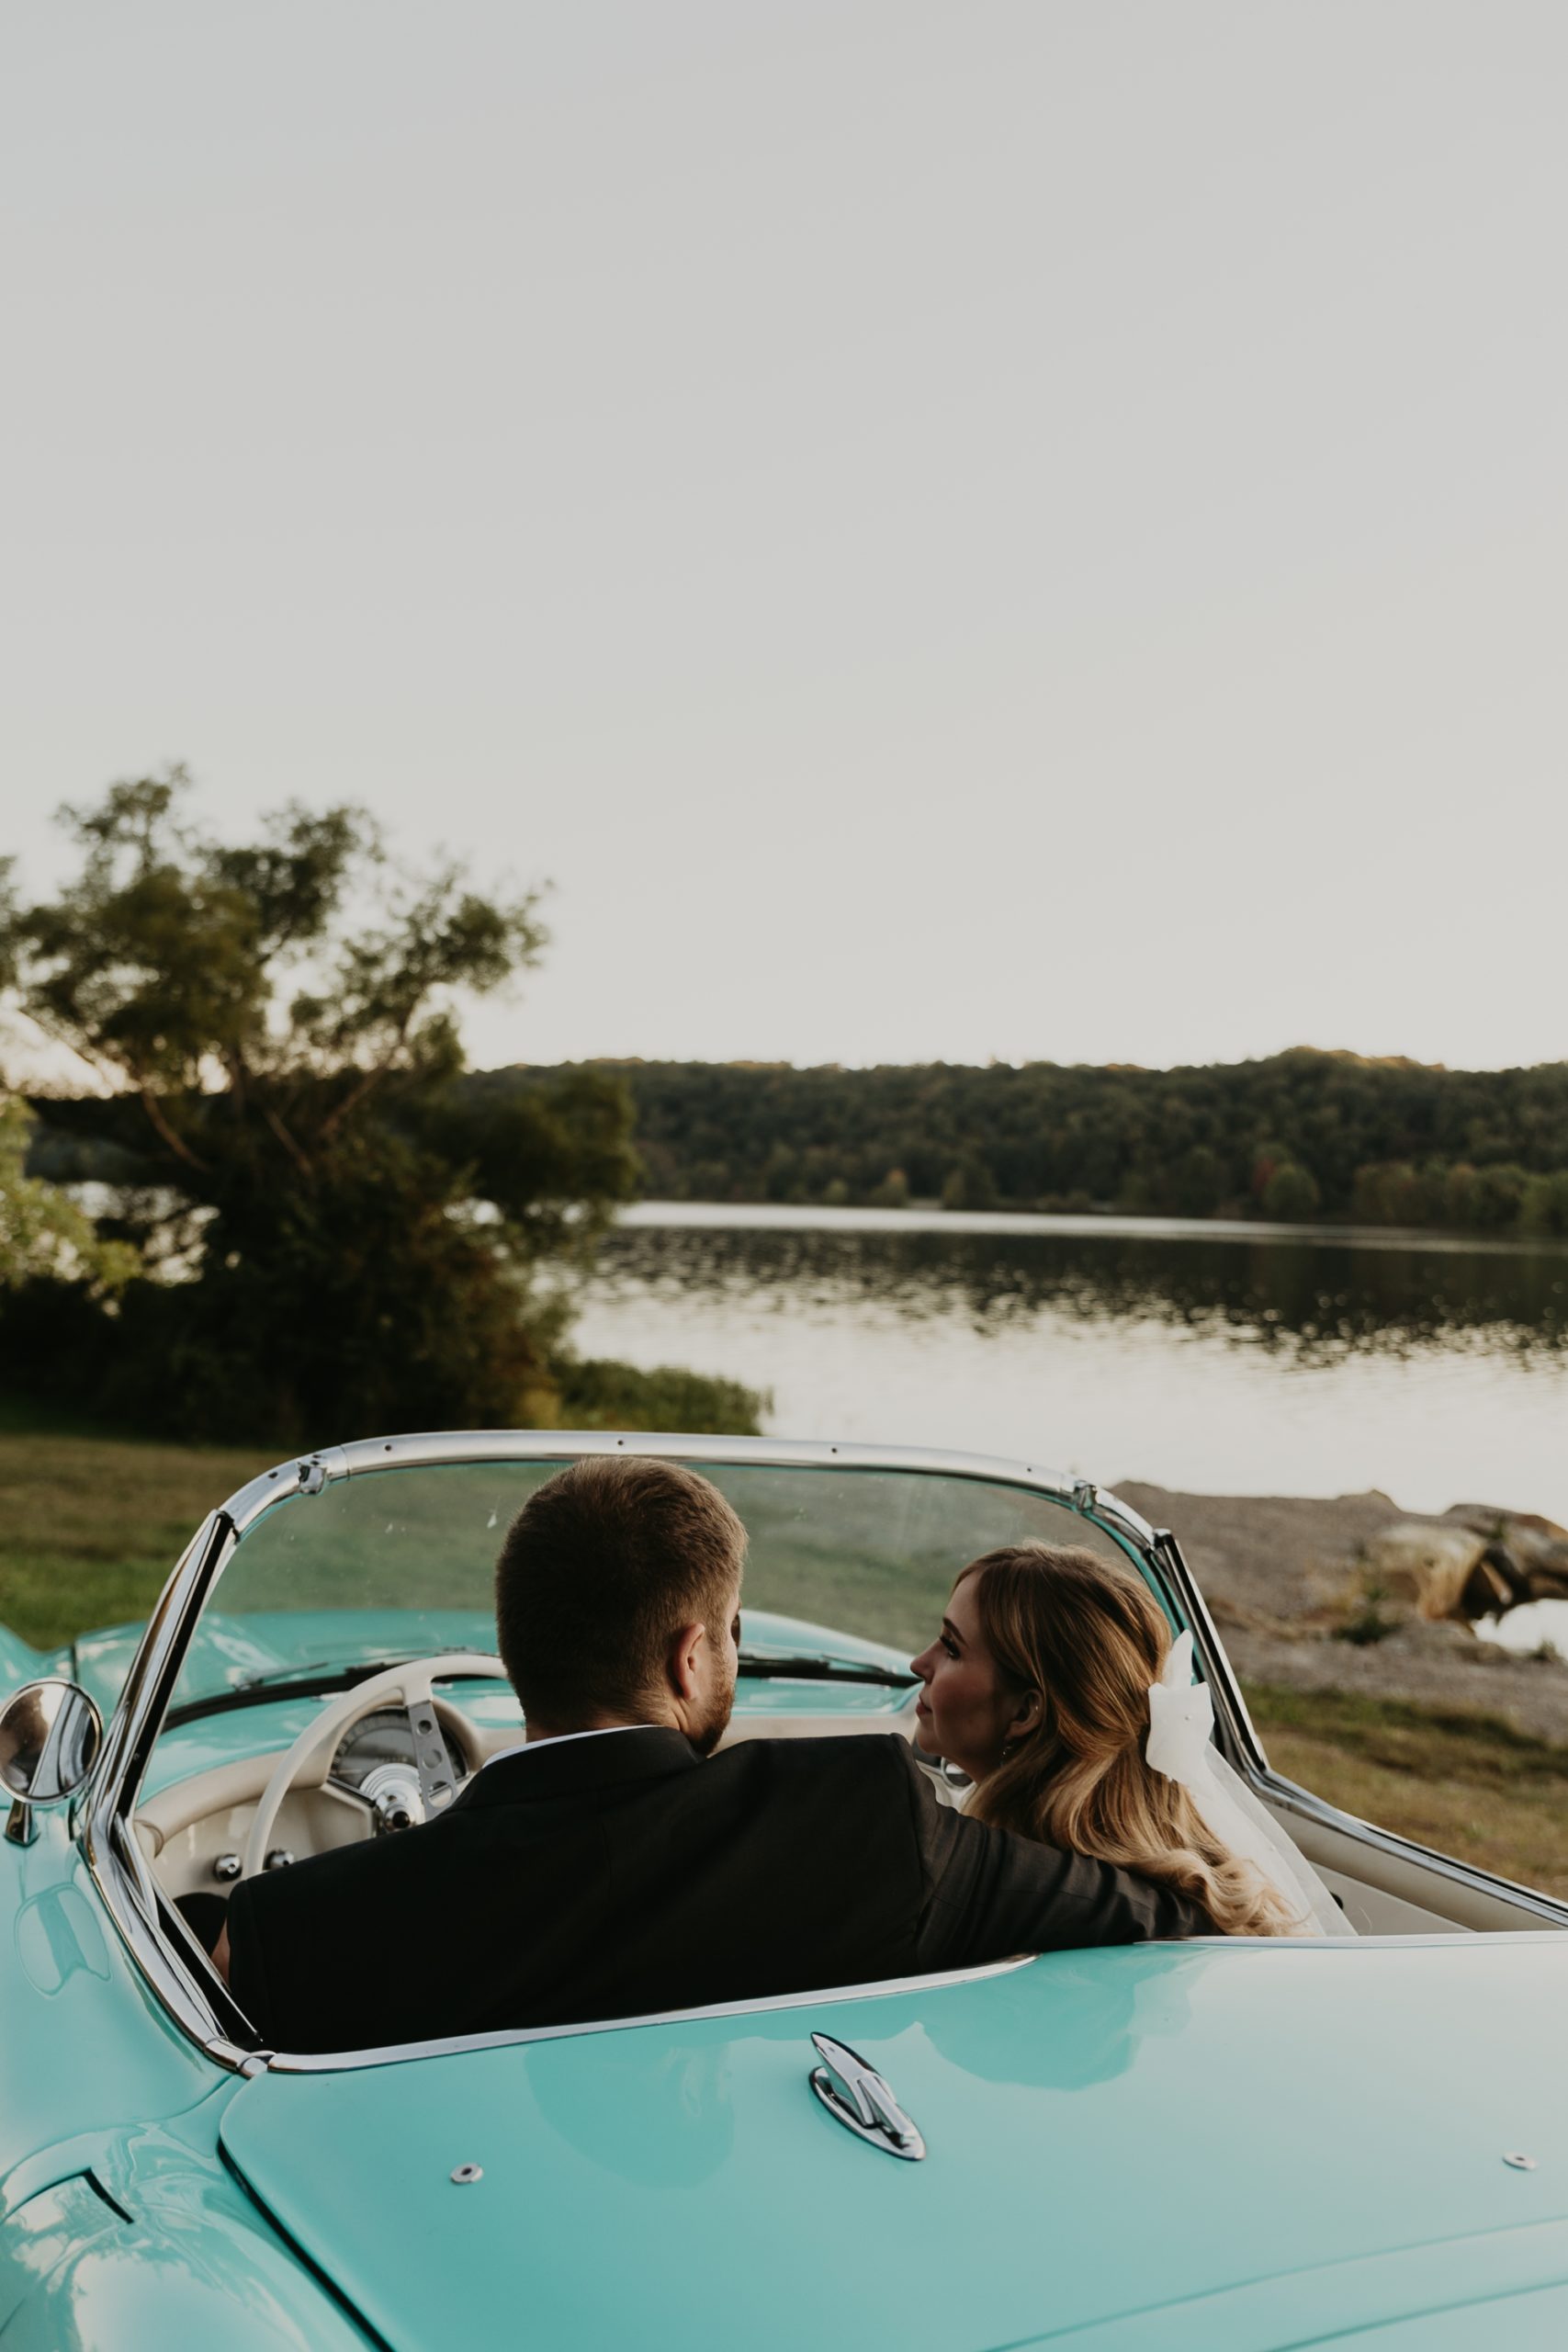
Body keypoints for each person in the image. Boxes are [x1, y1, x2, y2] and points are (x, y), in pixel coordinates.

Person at [220, 1458, 1210, 2052]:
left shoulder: (292, 1928)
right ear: (692, 1656)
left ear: (519, 1644)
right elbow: (1165, 1917)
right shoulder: (862, 1826)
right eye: (732, 1633)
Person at [909, 1543, 1348, 1938]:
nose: (918, 1663)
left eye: (952, 1648)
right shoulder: (1156, 1884)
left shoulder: (1019, 1887)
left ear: (1024, 1712)